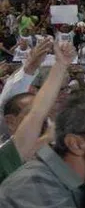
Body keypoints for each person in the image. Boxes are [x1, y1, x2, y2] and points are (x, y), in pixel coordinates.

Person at [0, 42, 76, 184]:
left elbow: (37, 111)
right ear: (10, 122)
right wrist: (49, 137)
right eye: (26, 117)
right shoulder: (6, 156)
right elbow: (35, 113)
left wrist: (60, 65)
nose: (37, 123)